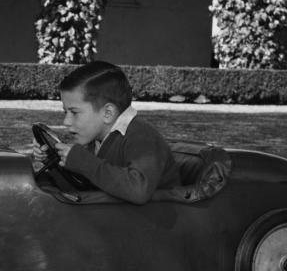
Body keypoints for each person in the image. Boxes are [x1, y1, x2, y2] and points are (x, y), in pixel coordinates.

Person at [33, 61, 180, 204]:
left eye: (74, 113)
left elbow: (139, 190)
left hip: (157, 222)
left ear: (107, 113)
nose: (66, 121)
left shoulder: (142, 136)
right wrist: (54, 161)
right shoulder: (97, 138)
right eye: (66, 112)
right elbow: (86, 187)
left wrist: (84, 162)